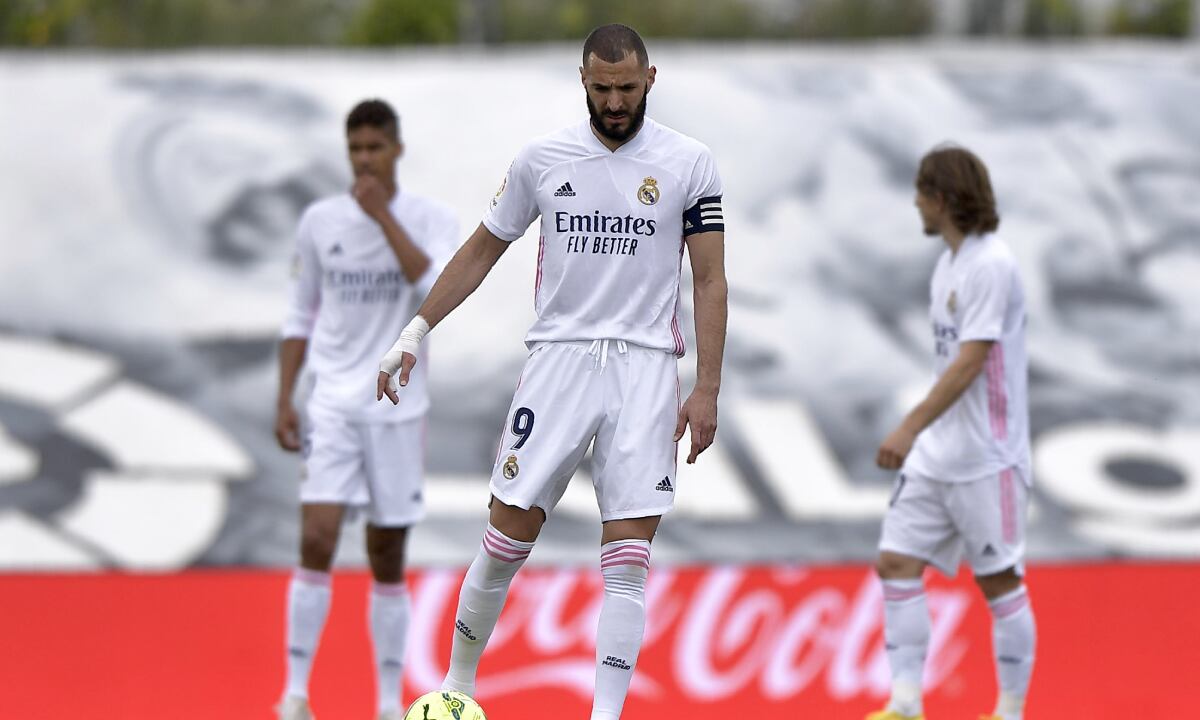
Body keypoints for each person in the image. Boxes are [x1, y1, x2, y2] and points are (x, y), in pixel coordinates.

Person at [376, 24, 727, 720]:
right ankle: (457, 688)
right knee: (505, 537)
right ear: (583, 81)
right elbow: (481, 251)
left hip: (646, 370)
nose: (617, 101)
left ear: (650, 80)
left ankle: (604, 715)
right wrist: (416, 331)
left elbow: (710, 279)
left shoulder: (690, 162)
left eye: (628, 88)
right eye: (604, 89)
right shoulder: (542, 160)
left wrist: (707, 386)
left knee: (629, 555)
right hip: (559, 364)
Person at [274, 99, 459, 720]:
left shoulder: (428, 219)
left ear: (397, 149)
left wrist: (382, 218)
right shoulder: (320, 221)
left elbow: (430, 287)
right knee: (318, 536)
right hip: (332, 404)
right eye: (355, 149)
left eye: (375, 148)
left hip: (398, 409)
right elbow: (300, 313)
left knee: (386, 551)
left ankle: (385, 703)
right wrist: (286, 397)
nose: (364, 160)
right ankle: (296, 695)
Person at [867, 145, 1036, 720]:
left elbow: (970, 361)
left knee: (999, 581)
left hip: (988, 457)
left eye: (920, 191)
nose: (915, 202)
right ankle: (907, 703)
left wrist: (910, 426)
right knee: (895, 561)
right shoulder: (948, 265)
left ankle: (1009, 711)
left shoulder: (992, 263)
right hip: (940, 456)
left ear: (940, 198)